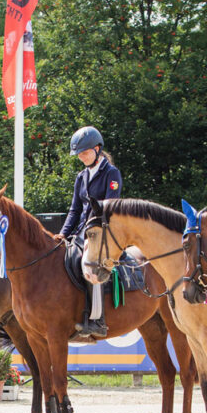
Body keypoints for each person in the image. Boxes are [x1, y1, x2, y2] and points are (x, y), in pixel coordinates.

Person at [58, 126, 122, 337]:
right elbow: (75, 209)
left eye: (85, 152)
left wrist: (90, 231)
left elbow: (109, 206)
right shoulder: (81, 176)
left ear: (97, 149)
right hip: (80, 232)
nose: (82, 157)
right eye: (79, 154)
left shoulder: (111, 173)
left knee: (91, 264)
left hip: (101, 232)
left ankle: (98, 320)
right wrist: (63, 234)